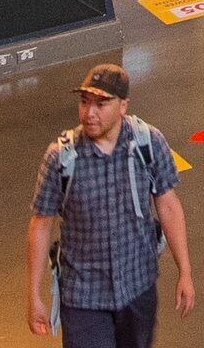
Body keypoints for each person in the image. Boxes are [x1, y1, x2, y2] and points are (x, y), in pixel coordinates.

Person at [26, 65, 192, 344]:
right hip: (83, 297)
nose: (89, 113)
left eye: (101, 104)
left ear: (123, 106)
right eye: (84, 102)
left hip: (138, 288)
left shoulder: (148, 143)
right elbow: (40, 225)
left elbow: (168, 206)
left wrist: (185, 272)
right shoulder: (61, 158)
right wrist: (33, 296)